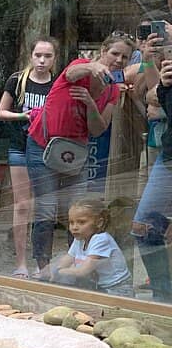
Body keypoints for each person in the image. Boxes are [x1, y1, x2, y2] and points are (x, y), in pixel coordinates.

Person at [25, 31, 131, 276]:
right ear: (103, 51)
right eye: (114, 53)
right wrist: (93, 66)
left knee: (79, 211)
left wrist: (90, 103)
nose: (118, 60)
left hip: (75, 153)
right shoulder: (81, 66)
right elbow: (71, 74)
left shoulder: (112, 90)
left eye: (125, 57)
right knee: (46, 210)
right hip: (43, 145)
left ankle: (76, 269)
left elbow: (98, 128)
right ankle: (43, 270)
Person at [0, 37, 58, 278]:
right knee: (22, 205)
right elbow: (1, 113)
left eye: (47, 56)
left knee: (45, 207)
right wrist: (25, 116)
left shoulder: (57, 83)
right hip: (20, 147)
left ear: (54, 59)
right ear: (30, 56)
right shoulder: (17, 80)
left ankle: (43, 263)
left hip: (46, 149)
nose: (42, 61)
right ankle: (20, 262)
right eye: (38, 55)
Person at [131, 38, 172, 301]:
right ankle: (163, 297)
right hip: (168, 157)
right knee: (144, 226)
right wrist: (149, 64)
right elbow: (152, 96)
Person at [48, 198, 133, 296]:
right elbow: (68, 258)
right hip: (99, 286)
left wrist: (61, 272)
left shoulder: (101, 239)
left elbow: (83, 271)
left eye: (81, 222)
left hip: (117, 289)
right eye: (71, 222)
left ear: (99, 223)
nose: (74, 227)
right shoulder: (80, 239)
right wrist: (56, 270)